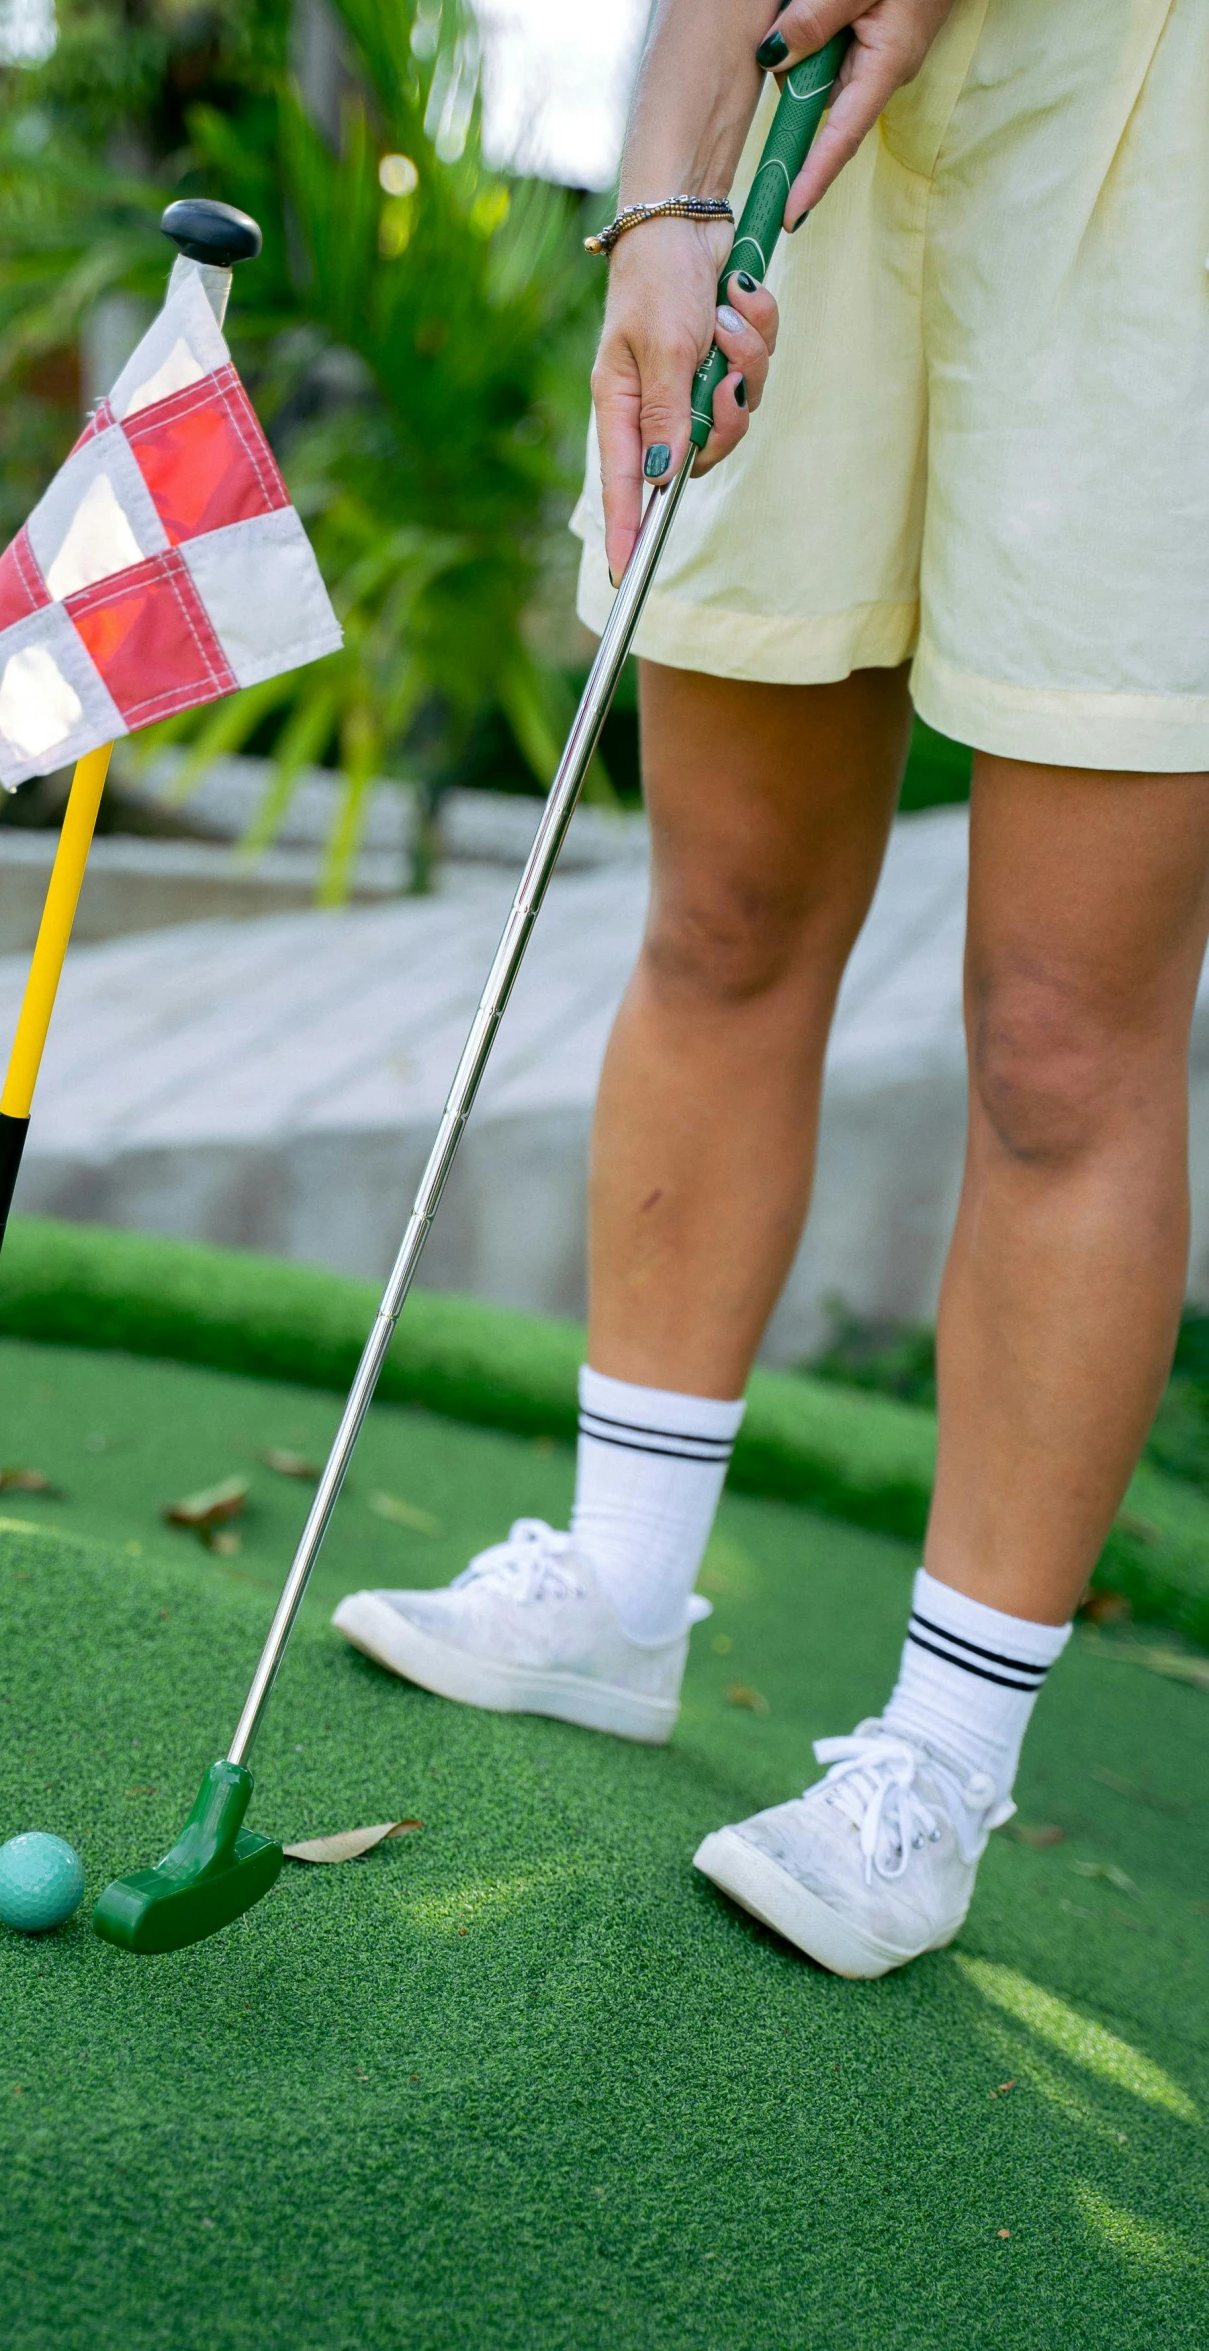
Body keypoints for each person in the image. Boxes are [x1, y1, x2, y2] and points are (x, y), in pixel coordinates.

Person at [334, 0, 1209, 1979]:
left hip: (1162, 151)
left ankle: (938, 1762)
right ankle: (621, 1590)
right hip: (804, 117)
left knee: (1064, 1037)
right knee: (720, 915)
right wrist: (666, 192)